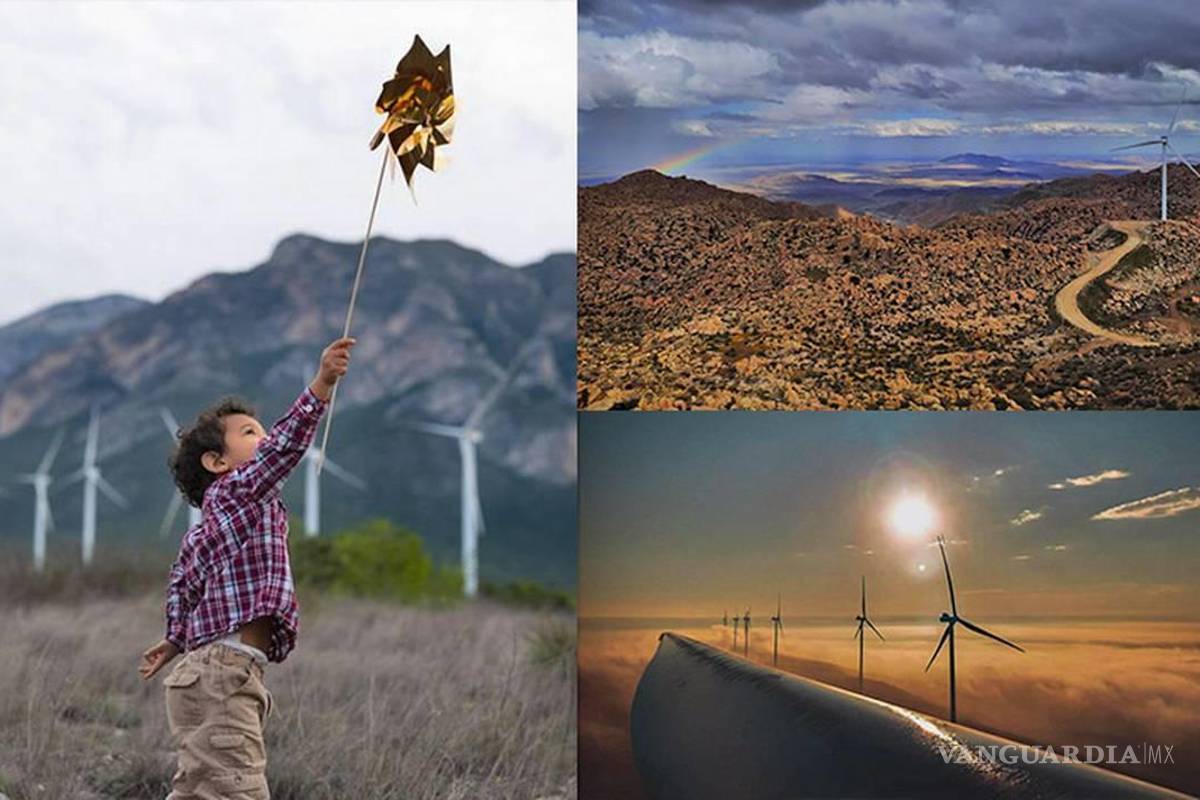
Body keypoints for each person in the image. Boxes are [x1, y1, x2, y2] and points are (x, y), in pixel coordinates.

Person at [138, 336, 355, 799]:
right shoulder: (238, 492)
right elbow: (285, 450)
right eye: (252, 433)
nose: (266, 439)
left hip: (208, 669)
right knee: (238, 788)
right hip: (223, 670)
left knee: (201, 787)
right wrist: (322, 384)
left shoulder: (211, 524)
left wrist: (175, 637)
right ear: (218, 462)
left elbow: (184, 581)